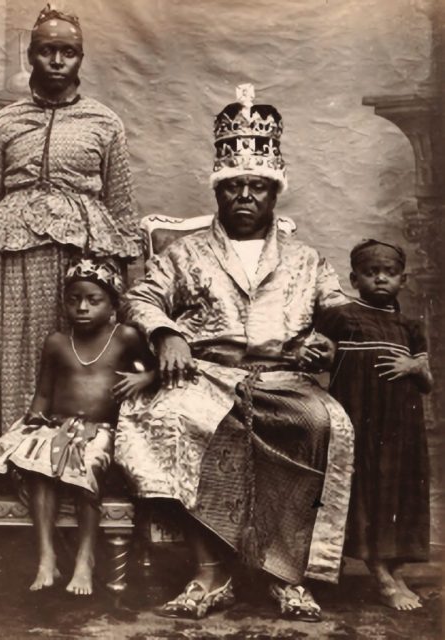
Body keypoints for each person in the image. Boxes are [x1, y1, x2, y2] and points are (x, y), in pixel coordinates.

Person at [115, 84, 354, 621]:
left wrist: (327, 340)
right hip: (205, 375)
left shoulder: (305, 258)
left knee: (320, 424)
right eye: (234, 188)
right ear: (219, 193)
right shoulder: (187, 252)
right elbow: (141, 296)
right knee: (177, 418)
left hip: (282, 379)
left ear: (274, 193)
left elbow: (338, 310)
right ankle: (210, 574)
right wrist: (165, 334)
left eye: (257, 188)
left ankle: (284, 574)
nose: (245, 197)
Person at [0, 4, 141, 448]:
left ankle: (71, 471)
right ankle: (12, 468)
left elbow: (122, 210)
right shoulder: (5, 122)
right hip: (10, 268)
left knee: (82, 363)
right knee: (14, 361)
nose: (58, 61)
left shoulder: (104, 122)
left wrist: (127, 300)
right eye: (47, 51)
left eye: (69, 52)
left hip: (84, 266)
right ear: (30, 56)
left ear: (80, 58)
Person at [0, 258, 155, 595]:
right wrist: (32, 422)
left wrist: (145, 377)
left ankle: (84, 558)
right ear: (64, 303)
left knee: (87, 467)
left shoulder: (126, 338)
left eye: (94, 300)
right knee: (37, 465)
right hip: (56, 425)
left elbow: (157, 369)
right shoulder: (57, 342)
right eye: (74, 299)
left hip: (100, 430)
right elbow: (44, 393)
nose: (82, 307)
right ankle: (46, 557)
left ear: (112, 305)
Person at [315, 239, 432, 611]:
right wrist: (319, 352)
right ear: (354, 278)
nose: (381, 278)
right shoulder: (342, 316)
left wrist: (414, 366)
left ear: (403, 279)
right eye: (371, 272)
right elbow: (319, 358)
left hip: (401, 425)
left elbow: (428, 380)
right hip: (360, 419)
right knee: (367, 489)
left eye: (390, 273)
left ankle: (393, 568)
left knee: (397, 491)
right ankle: (379, 574)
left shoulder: (410, 326)